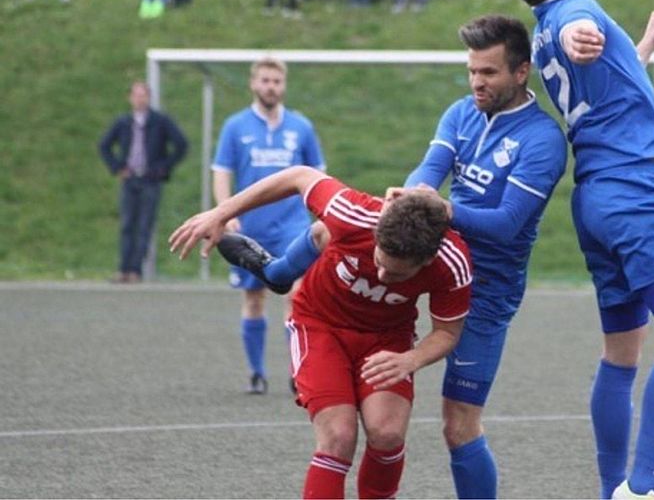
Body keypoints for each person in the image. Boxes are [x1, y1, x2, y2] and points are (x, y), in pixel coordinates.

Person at [240, 14, 567, 499]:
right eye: (472, 71)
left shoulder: (542, 140)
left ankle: (284, 280)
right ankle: (290, 294)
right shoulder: (461, 113)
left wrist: (440, 208)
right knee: (341, 233)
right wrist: (413, 197)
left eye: (489, 73)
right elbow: (430, 168)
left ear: (521, 73)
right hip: (426, 261)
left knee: (459, 426)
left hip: (486, 290)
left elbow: (506, 223)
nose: (477, 81)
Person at [497, 0, 654, 499]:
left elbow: (605, 82)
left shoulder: (545, 21)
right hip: (637, 191)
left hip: (597, 197)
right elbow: (583, 34)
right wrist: (584, 36)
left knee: (621, 355)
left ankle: (611, 490)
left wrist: (641, 42)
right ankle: (642, 491)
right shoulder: (576, 12)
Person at [168, 165, 472, 499]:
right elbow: (298, 175)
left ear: (427, 260)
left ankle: (279, 271)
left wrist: (411, 359)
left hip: (388, 338)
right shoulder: (353, 214)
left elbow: (446, 332)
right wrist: (220, 212)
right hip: (320, 325)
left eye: (397, 275)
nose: (382, 275)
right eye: (379, 260)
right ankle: (278, 271)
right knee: (338, 437)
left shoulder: (451, 263)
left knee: (387, 434)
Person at [212, 57, 326, 394]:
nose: (270, 86)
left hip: (292, 226)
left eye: (276, 81)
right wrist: (224, 212)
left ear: (283, 85)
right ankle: (257, 373)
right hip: (250, 228)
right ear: (253, 83)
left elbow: (318, 175)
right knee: (254, 298)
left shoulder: (300, 127)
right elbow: (222, 171)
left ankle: (298, 371)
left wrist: (321, 216)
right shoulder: (235, 126)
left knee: (297, 296)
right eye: (265, 80)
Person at [98, 81, 188, 284]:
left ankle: (136, 270)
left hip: (150, 180)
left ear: (149, 97)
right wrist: (117, 167)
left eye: (143, 95)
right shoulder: (123, 122)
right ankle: (123, 268)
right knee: (127, 225)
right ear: (130, 98)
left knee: (145, 226)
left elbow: (181, 145)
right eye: (136, 95)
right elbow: (104, 146)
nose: (140, 99)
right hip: (129, 180)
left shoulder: (160, 121)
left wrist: (163, 168)